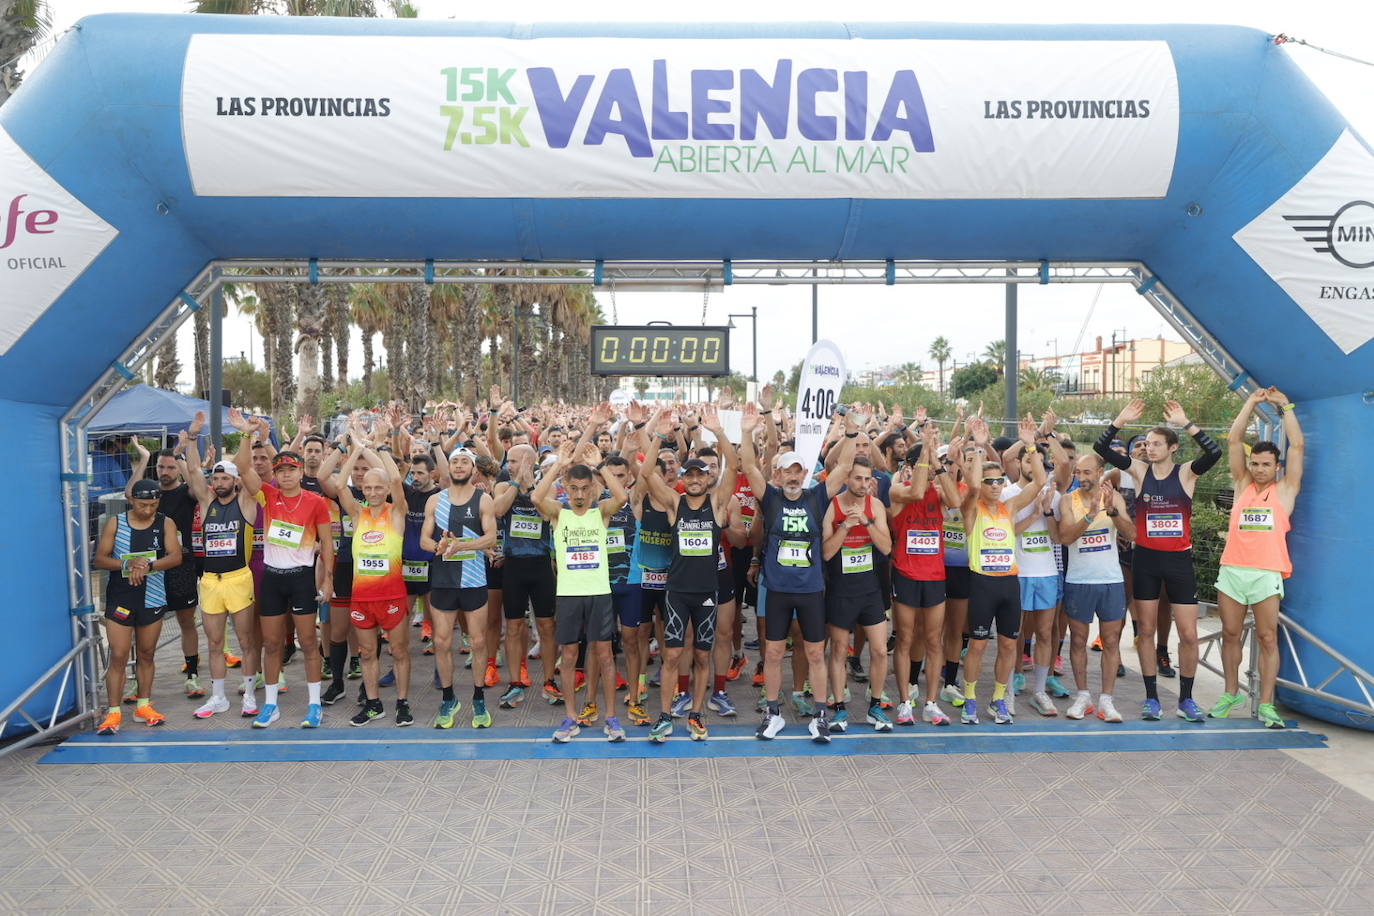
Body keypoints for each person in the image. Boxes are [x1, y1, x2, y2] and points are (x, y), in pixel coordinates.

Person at [1094, 398, 1222, 722]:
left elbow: (1214, 453)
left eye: (1156, 444)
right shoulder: (1138, 471)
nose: (1149, 448)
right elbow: (1101, 446)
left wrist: (1185, 421)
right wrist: (1119, 420)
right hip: (1147, 560)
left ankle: (1186, 699)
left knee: (1189, 635)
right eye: (1146, 443)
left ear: (1173, 447)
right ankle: (1151, 698)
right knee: (1146, 631)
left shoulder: (1186, 474)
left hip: (1179, 561)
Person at [739, 402, 855, 743]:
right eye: (787, 471)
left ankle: (820, 715)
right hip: (777, 588)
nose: (792, 476)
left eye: (797, 471)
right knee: (773, 653)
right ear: (779, 474)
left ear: (804, 474)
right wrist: (746, 432)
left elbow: (844, 465)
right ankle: (772, 713)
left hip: (809, 590)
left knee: (815, 652)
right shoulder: (772, 499)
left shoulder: (817, 497)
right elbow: (748, 465)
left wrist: (849, 432)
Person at [231, 410, 334, 729]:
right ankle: (271, 705)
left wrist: (328, 580)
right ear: (276, 474)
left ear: (301, 471)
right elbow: (242, 467)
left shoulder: (316, 502)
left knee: (307, 641)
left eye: (292, 469)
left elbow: (328, 544)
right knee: (272, 644)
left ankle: (315, 704)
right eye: (282, 470)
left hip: (302, 578)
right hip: (273, 579)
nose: (287, 474)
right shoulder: (268, 495)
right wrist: (247, 434)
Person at [642, 406, 738, 742]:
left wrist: (718, 433)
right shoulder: (674, 503)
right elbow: (647, 473)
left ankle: (695, 714)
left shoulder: (716, 504)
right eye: (690, 475)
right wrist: (657, 434)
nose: (695, 479)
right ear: (683, 478)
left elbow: (734, 468)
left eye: (701, 475)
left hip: (707, 593)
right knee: (671, 654)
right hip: (677, 592)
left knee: (701, 655)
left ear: (708, 478)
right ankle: (666, 715)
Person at [1211, 387, 1303, 729]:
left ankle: (1266, 704)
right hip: (1233, 570)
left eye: (1266, 464)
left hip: (1265, 573)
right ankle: (1231, 692)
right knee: (1230, 633)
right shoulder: (1242, 484)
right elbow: (1234, 442)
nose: (1260, 469)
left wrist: (1285, 407)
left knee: (1267, 638)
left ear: (1276, 466)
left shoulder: (1285, 489)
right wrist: (1250, 402)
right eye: (1256, 463)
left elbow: (1299, 447)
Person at [532, 441, 629, 743]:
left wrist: (600, 466)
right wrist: (558, 465)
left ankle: (611, 718)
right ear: (566, 487)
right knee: (570, 655)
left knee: (605, 656)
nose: (578, 494)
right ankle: (570, 718)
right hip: (569, 595)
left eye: (584, 488)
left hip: (599, 593)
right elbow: (536, 496)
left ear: (592, 489)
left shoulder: (600, 512)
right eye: (573, 488)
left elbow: (623, 496)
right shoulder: (558, 513)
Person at [959, 415, 1044, 725]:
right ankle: (969, 697)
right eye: (989, 482)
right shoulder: (972, 508)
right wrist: (980, 447)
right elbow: (970, 486)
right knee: (978, 645)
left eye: (999, 482)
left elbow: (1039, 482)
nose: (995, 486)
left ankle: (997, 699)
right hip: (981, 583)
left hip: (1009, 583)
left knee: (1009, 644)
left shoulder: (1008, 507)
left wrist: (1031, 445)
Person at [333, 422, 414, 727]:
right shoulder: (358, 513)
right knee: (367, 652)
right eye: (368, 488)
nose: (374, 492)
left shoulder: (396, 512)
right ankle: (373, 704)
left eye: (378, 487)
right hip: (362, 599)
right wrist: (354, 450)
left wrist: (375, 447)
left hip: (392, 596)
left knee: (398, 651)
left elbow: (394, 476)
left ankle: (403, 703)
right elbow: (340, 486)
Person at [93, 478, 183, 734]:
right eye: (143, 504)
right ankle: (113, 713)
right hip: (121, 598)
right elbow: (99, 558)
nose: (148, 510)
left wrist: (148, 566)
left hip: (152, 597)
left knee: (146, 653)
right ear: (131, 500)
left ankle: (143, 705)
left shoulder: (165, 522)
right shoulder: (116, 522)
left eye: (153, 504)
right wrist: (128, 564)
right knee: (119, 655)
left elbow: (175, 556)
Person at [183, 428, 261, 720]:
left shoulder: (246, 503)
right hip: (210, 582)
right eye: (215, 478)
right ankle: (218, 698)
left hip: (239, 578)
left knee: (246, 641)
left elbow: (247, 468)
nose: (218, 483)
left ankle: (250, 694)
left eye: (224, 478)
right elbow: (192, 470)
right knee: (214, 643)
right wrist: (192, 440)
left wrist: (246, 435)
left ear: (235, 481)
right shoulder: (207, 503)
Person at [421, 446, 498, 729]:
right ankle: (449, 697)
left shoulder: (483, 499)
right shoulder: (435, 501)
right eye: (455, 461)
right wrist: (439, 547)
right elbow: (424, 541)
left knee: (477, 641)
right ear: (448, 468)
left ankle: (478, 698)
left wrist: (462, 545)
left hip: (474, 580)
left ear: (473, 469)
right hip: (443, 581)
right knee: (441, 641)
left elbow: (490, 538)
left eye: (465, 461)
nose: (459, 465)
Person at [887, 423, 958, 726]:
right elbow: (916, 490)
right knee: (904, 637)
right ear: (911, 466)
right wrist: (925, 450)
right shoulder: (897, 490)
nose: (929, 470)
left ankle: (930, 702)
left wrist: (938, 463)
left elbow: (955, 502)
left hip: (934, 576)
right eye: (924, 464)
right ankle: (905, 701)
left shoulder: (939, 491)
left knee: (933, 639)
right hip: (905, 572)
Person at [1057, 455, 1136, 723]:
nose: (1082, 477)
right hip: (1079, 581)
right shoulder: (1068, 500)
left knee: (1111, 641)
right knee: (1078, 640)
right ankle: (1082, 696)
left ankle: (1107, 701)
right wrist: (1090, 516)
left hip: (1110, 580)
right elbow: (1065, 538)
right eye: (1078, 472)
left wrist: (1112, 511)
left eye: (1087, 472)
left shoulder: (1114, 498)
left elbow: (1131, 534)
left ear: (1100, 472)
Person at [821, 455, 894, 732]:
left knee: (879, 650)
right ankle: (839, 709)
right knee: (839, 650)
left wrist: (865, 521)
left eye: (867, 479)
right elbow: (827, 552)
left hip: (870, 589)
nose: (863, 484)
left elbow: (887, 548)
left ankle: (875, 706)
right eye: (858, 478)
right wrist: (845, 526)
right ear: (847, 479)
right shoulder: (834, 506)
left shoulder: (875, 506)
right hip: (841, 590)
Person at [127, 439, 204, 698]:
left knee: (186, 621)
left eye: (170, 467)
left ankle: (192, 675)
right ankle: (139, 681)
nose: (165, 472)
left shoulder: (187, 493)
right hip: (149, 567)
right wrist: (145, 459)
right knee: (145, 625)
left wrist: (183, 457)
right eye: (161, 467)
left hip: (181, 565)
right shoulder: (150, 494)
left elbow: (198, 487)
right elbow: (131, 493)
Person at [490, 443, 554, 708]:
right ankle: (515, 683)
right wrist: (516, 481)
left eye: (515, 461)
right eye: (509, 462)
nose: (510, 466)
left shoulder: (545, 486)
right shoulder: (503, 486)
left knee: (547, 626)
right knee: (514, 626)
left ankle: (550, 681)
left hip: (540, 564)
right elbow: (498, 510)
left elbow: (546, 514)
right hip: (514, 565)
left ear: (530, 460)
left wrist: (531, 486)